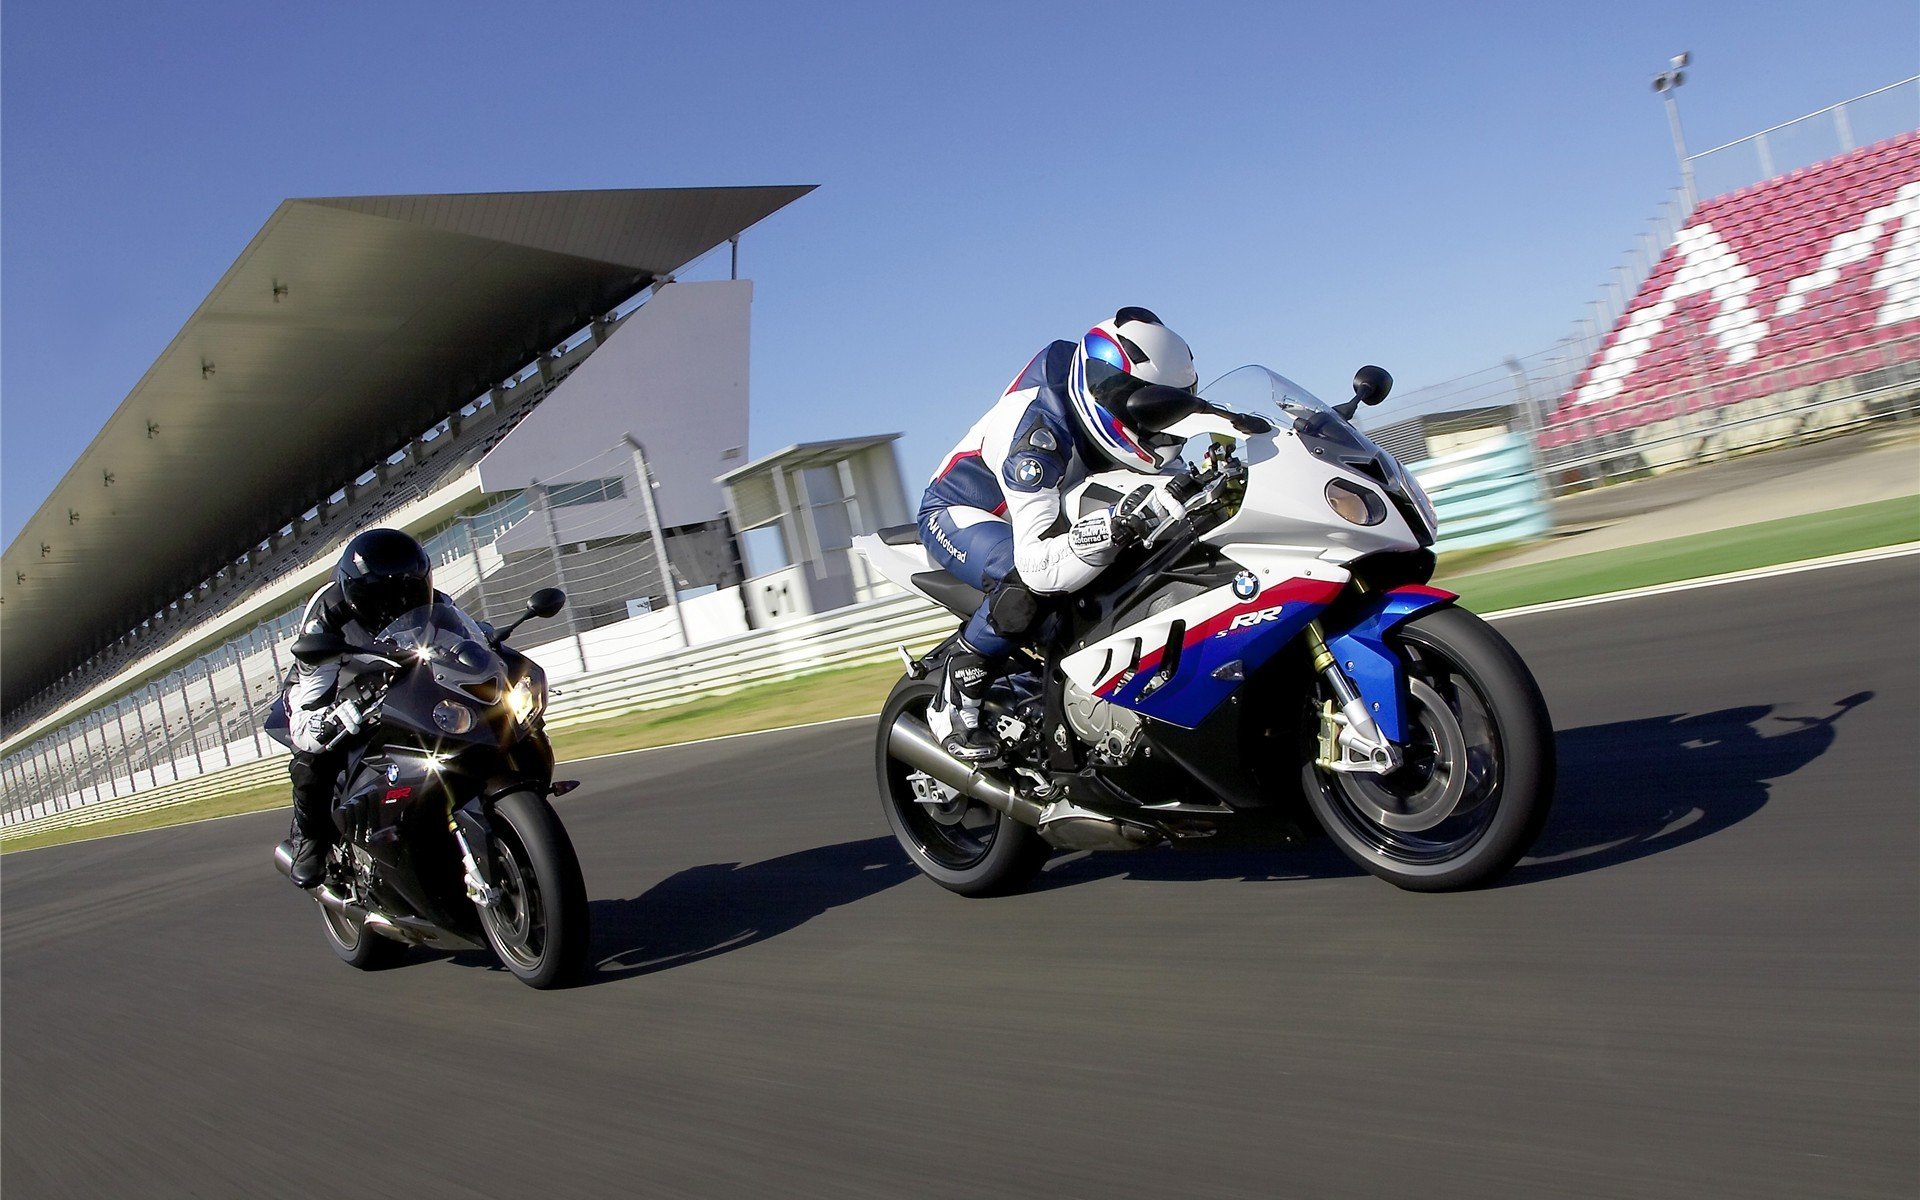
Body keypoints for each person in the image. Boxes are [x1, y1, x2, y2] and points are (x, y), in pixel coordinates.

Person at [918, 307, 1201, 762]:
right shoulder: (1036, 430)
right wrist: (1109, 529)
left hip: (1050, 503)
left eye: (1172, 406)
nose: (1162, 423)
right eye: (1150, 409)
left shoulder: (1111, 402)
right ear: (1111, 391)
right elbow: (1038, 566)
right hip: (965, 512)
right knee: (1026, 586)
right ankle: (957, 692)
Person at [280, 527, 438, 888]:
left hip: (395, 675)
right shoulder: (325, 615)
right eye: (381, 597)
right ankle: (311, 840)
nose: (396, 606)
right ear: (355, 594)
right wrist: (328, 718)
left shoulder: (433, 601)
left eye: (407, 593)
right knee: (313, 754)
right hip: (332, 682)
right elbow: (309, 708)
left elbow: (468, 636)